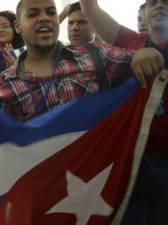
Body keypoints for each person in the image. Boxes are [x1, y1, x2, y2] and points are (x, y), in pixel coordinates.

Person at [0, 0, 164, 124]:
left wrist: (140, 55)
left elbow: (135, 60)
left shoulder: (96, 55)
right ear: (18, 27)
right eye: (33, 13)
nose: (44, 18)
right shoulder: (3, 87)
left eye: (51, 12)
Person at [80, 0, 168, 224]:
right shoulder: (131, 41)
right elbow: (91, 10)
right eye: (153, 3)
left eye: (165, 3)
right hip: (130, 157)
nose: (158, 6)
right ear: (146, 13)